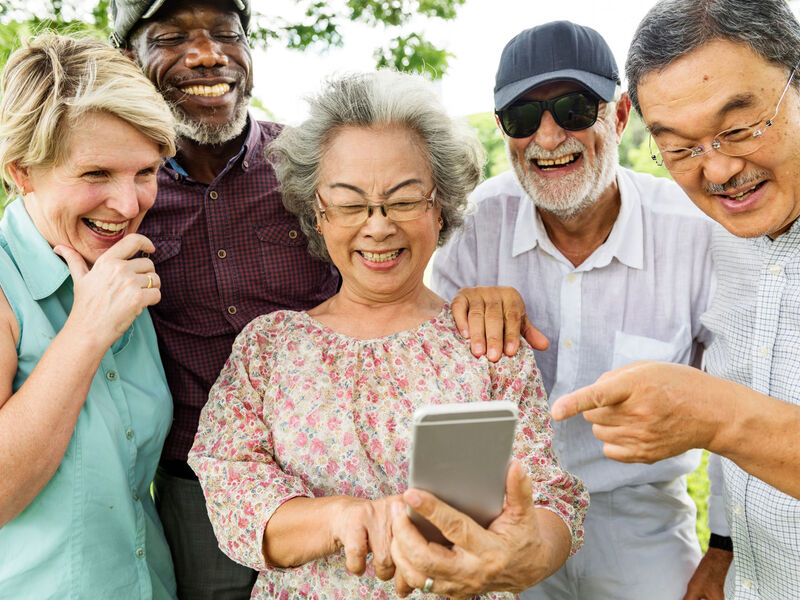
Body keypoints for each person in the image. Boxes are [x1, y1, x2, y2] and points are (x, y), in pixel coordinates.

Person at [110, 2, 541, 596]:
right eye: (172, 37)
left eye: (225, 34)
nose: (376, 223)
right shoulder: (123, 188)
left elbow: (543, 500)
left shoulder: (308, 157)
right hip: (196, 471)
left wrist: (483, 303)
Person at [187, 70, 589, 599]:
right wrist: (344, 519)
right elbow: (233, 490)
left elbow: (550, 496)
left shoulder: (484, 341)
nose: (377, 227)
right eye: (351, 204)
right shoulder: (268, 348)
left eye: (402, 200)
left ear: (439, 204)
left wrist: (524, 551)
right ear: (318, 211)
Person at [432, 21, 719, 600]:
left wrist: (726, 549)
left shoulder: (696, 232)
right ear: (502, 132)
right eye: (521, 117)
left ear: (618, 116)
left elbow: (741, 399)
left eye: (572, 108)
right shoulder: (473, 224)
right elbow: (423, 378)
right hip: (504, 503)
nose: (547, 136)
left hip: (639, 512)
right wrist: (451, 314)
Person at [551, 1, 800, 598]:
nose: (717, 169)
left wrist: (717, 416)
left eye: (739, 128)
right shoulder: (717, 237)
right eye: (680, 147)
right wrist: (725, 551)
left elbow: (729, 416)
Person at [0, 34, 177, 598]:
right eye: (95, 174)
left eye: (146, 171)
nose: (128, 206)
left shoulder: (122, 260)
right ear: (22, 171)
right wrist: (88, 329)